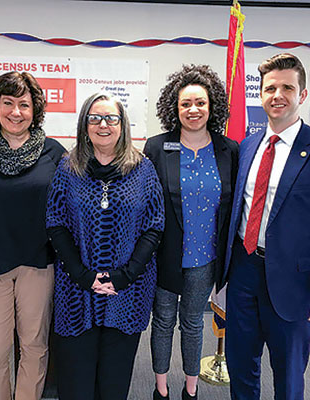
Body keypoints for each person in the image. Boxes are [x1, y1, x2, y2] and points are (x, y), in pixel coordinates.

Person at [46, 92, 165, 400]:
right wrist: (83, 276)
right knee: (75, 385)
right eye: (95, 118)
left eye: (111, 118)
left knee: (113, 385)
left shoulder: (143, 169)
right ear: (84, 124)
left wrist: (124, 276)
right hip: (76, 291)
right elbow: (56, 224)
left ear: (122, 125)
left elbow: (154, 227)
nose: (103, 125)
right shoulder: (67, 168)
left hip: (128, 292)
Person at [0, 71, 65, 400]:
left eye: (24, 104)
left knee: (34, 346)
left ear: (35, 110)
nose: (16, 112)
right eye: (8, 103)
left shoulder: (53, 151)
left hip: (38, 264)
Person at [144, 64, 239, 400]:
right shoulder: (156, 147)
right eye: (186, 104)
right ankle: (160, 387)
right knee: (163, 321)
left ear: (211, 106)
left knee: (193, 323)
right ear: (175, 108)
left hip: (205, 257)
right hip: (165, 254)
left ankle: (190, 387)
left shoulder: (229, 150)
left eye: (200, 103)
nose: (193, 110)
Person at [222, 53, 310, 400]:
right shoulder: (247, 146)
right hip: (243, 272)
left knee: (288, 377)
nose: (277, 95)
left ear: (302, 95)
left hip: (292, 282)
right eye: (270, 87)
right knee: (241, 366)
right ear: (260, 94)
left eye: (287, 87)